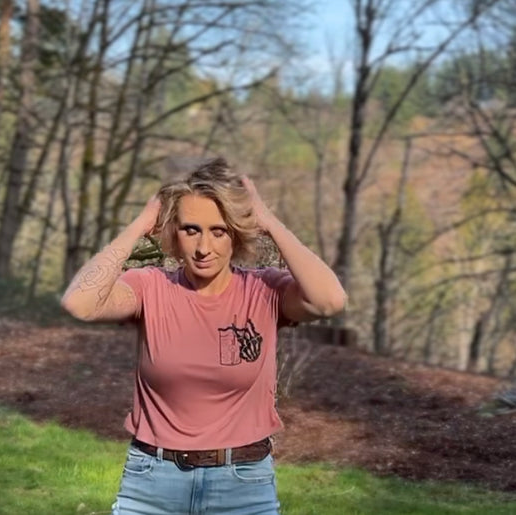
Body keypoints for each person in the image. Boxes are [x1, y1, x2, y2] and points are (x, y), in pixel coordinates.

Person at [61, 157, 347, 515]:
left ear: (237, 234)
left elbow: (330, 300)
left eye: (219, 231)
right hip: (152, 481)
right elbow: (79, 303)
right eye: (191, 229)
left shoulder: (264, 290)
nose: (203, 248)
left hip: (243, 484)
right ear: (174, 233)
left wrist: (269, 222)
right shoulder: (151, 286)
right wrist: (138, 225)